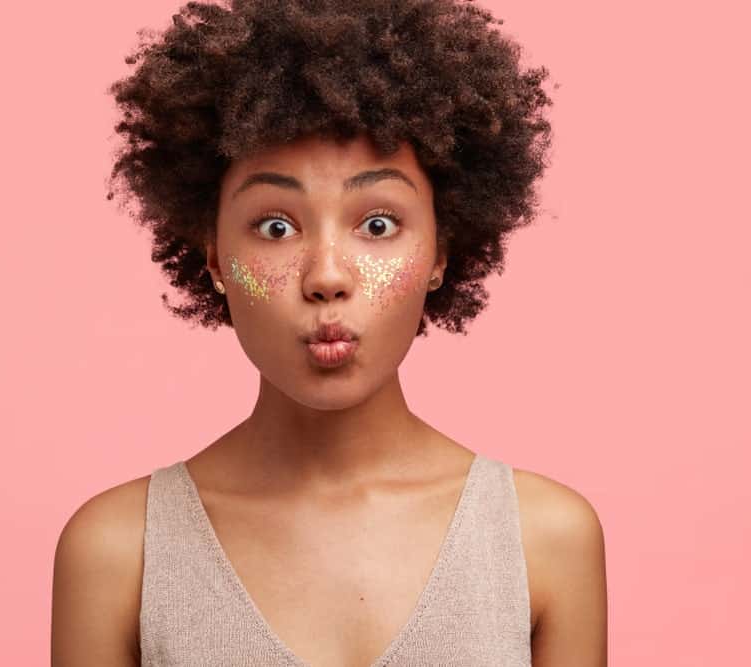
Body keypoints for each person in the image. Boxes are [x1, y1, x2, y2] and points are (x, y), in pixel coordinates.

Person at [51, 0, 607, 665]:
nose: (326, 276)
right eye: (275, 227)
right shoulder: (119, 554)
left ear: (440, 250)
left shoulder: (541, 542)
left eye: (377, 225)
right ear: (213, 257)